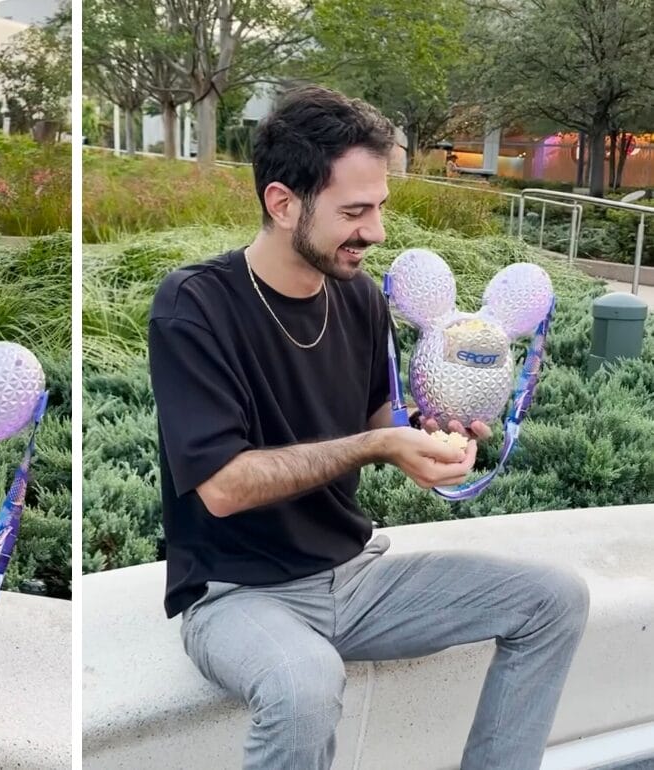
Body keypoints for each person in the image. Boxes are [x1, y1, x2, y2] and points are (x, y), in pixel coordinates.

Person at [147, 84, 589, 770]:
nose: (376, 231)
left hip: (352, 577)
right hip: (235, 596)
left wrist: (435, 435)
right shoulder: (195, 305)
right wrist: (380, 443)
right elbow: (223, 487)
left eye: (379, 207)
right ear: (281, 202)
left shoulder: (356, 299)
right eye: (354, 211)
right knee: (303, 684)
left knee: (552, 600)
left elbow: (380, 417)